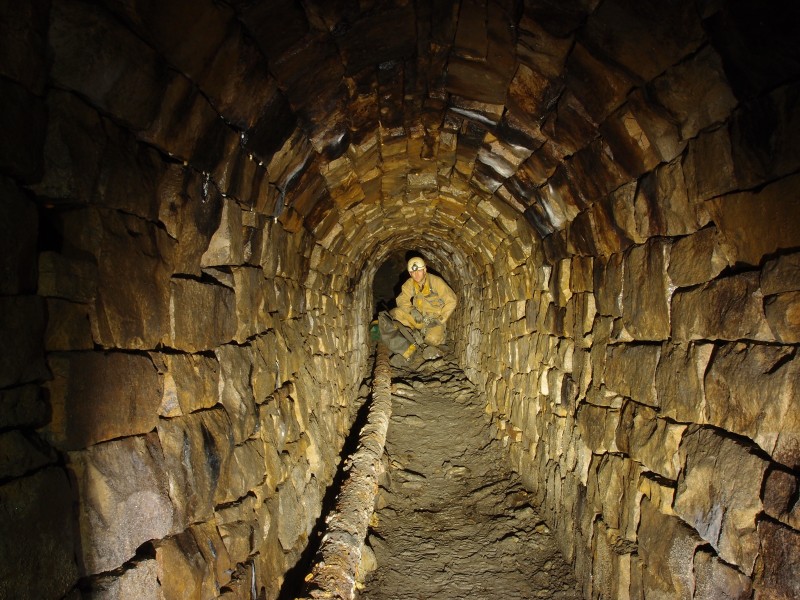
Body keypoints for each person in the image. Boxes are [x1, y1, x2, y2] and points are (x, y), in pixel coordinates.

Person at [378, 256, 457, 361]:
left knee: (432, 340)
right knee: (394, 313)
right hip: (418, 318)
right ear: (410, 273)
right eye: (413, 272)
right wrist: (411, 310)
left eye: (419, 271)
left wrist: (440, 320)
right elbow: (402, 300)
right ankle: (413, 334)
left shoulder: (436, 282)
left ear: (424, 270)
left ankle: (429, 337)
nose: (416, 274)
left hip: (433, 321)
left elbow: (452, 300)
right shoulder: (409, 284)